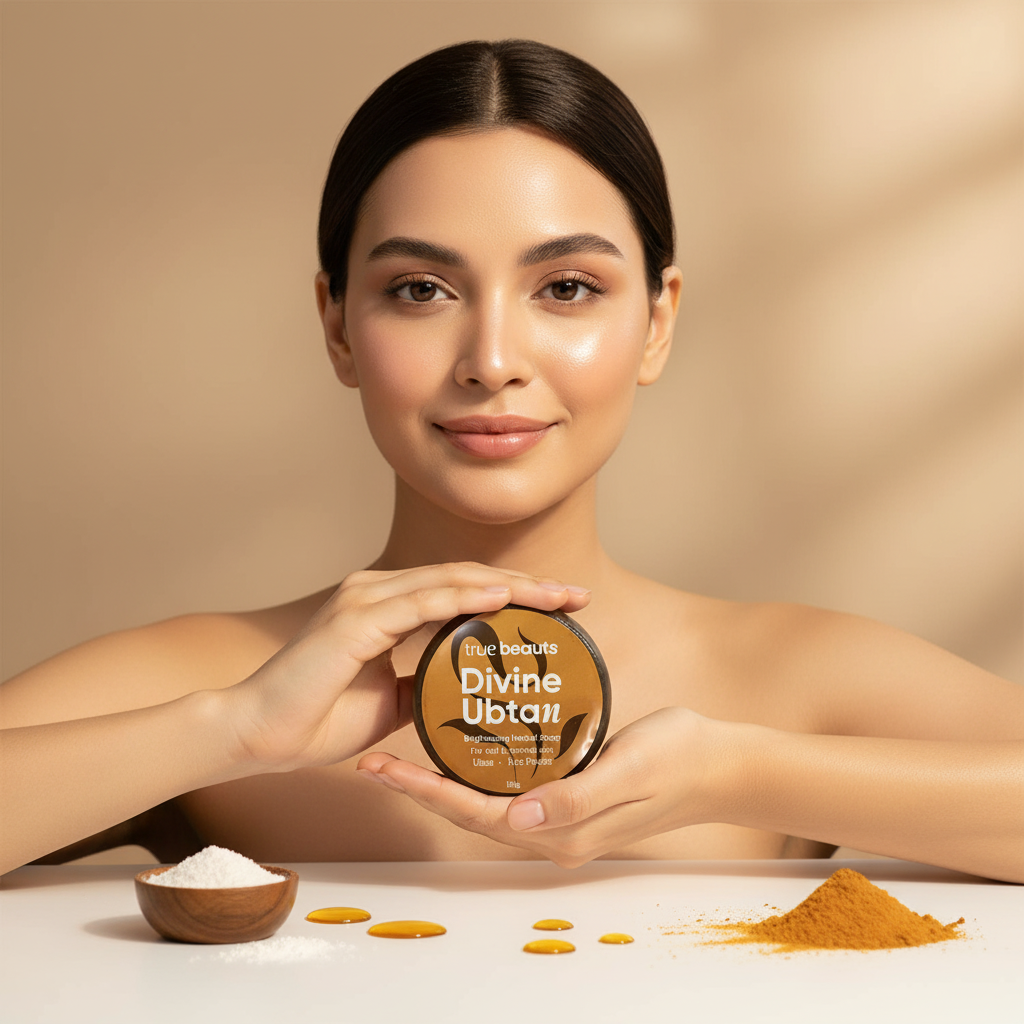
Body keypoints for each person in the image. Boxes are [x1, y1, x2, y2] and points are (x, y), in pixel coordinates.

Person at [1, 40, 1020, 882]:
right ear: (338, 325)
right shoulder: (216, 678)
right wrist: (230, 731)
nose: (492, 361)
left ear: (657, 321)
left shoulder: (787, 678)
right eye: (420, 290)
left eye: (567, 288)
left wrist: (739, 774)